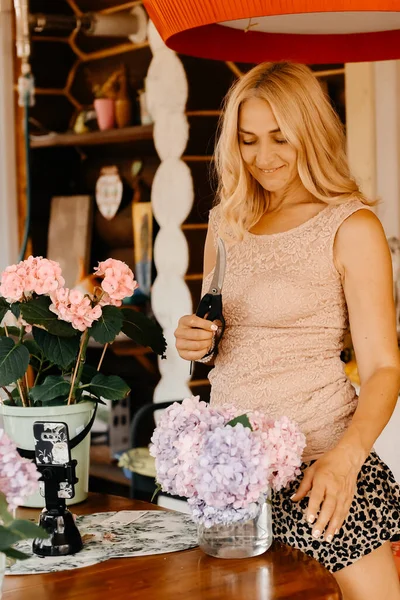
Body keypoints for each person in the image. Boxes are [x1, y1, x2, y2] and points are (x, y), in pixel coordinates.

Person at [174, 62, 400, 599]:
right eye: (248, 140)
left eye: (281, 137)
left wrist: (345, 462)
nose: (264, 157)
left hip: (323, 473)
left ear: (311, 133)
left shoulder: (351, 227)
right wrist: (193, 344)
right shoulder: (224, 223)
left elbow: (385, 369)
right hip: (231, 483)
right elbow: (224, 344)